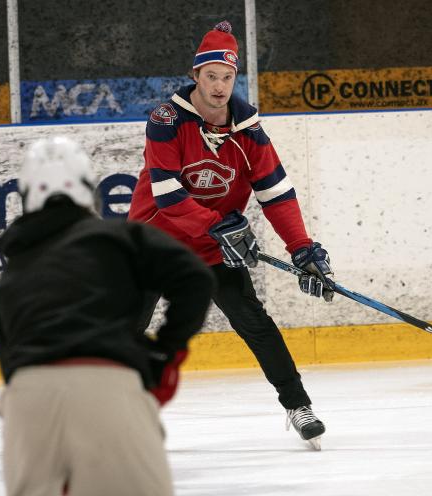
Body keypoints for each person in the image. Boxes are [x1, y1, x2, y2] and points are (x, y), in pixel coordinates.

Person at [128, 21, 335, 450]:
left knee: (255, 323)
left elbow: (276, 193)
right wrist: (217, 225)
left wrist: (301, 249)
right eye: (211, 77)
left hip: (212, 245)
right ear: (195, 75)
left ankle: (299, 406)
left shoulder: (249, 132)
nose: (220, 86)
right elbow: (168, 196)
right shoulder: (165, 122)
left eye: (227, 78)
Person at [0, 136, 214, 496]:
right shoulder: (119, 237)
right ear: (87, 188)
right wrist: (168, 350)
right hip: (109, 387)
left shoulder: (14, 272)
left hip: (25, 400)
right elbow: (195, 277)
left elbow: (9, 362)